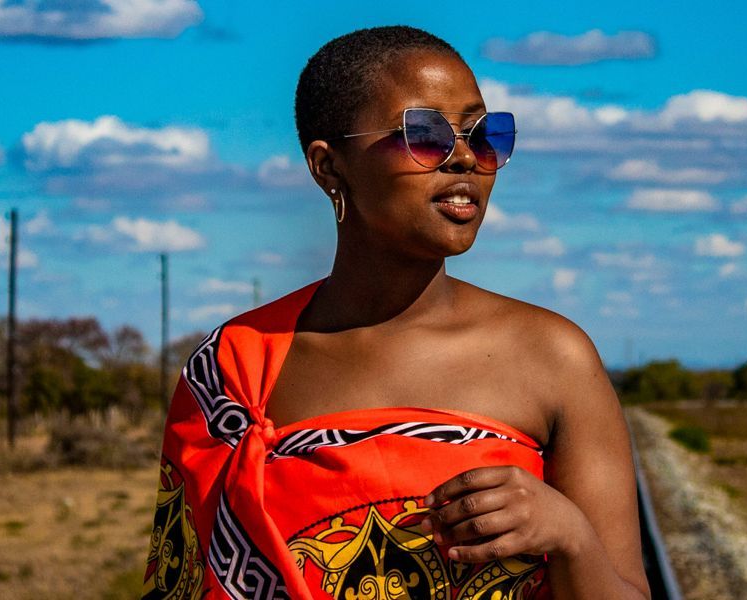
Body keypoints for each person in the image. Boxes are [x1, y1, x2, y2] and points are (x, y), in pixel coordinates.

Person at [142, 25, 648, 599]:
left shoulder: (554, 357)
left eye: (484, 135)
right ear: (329, 167)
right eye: (425, 134)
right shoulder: (233, 368)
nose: (465, 158)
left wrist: (571, 536)